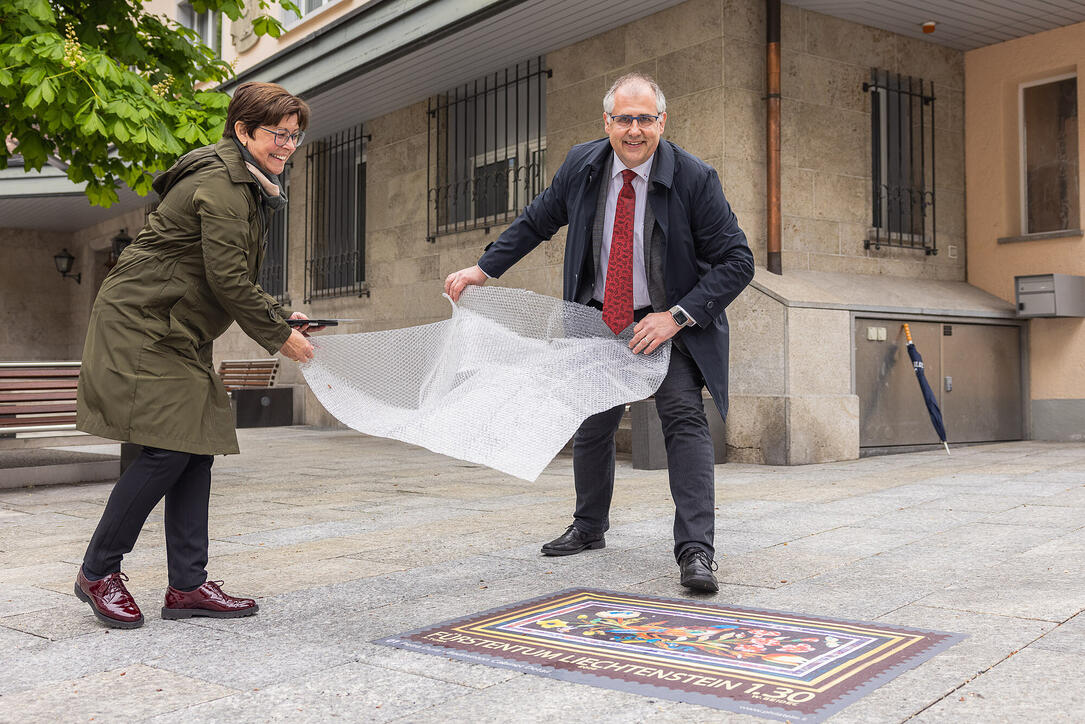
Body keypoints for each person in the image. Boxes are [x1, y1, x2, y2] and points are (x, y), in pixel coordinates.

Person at [445, 73, 754, 593]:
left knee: (683, 422)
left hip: (665, 324)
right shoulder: (583, 165)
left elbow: (737, 261)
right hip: (599, 318)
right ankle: (589, 528)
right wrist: (484, 269)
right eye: (624, 119)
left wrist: (675, 316)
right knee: (592, 425)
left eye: (645, 119)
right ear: (606, 121)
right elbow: (536, 220)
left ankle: (696, 550)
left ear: (662, 121)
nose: (634, 131)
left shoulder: (695, 179)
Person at [74, 82, 317, 628]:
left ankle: (187, 586)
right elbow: (228, 279)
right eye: (277, 133)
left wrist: (281, 317)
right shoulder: (223, 184)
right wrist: (282, 338)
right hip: (141, 325)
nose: (287, 145)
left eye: (295, 137)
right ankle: (98, 571)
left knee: (194, 446)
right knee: (165, 451)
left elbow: (227, 275)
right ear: (243, 131)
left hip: (173, 327)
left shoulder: (247, 182)